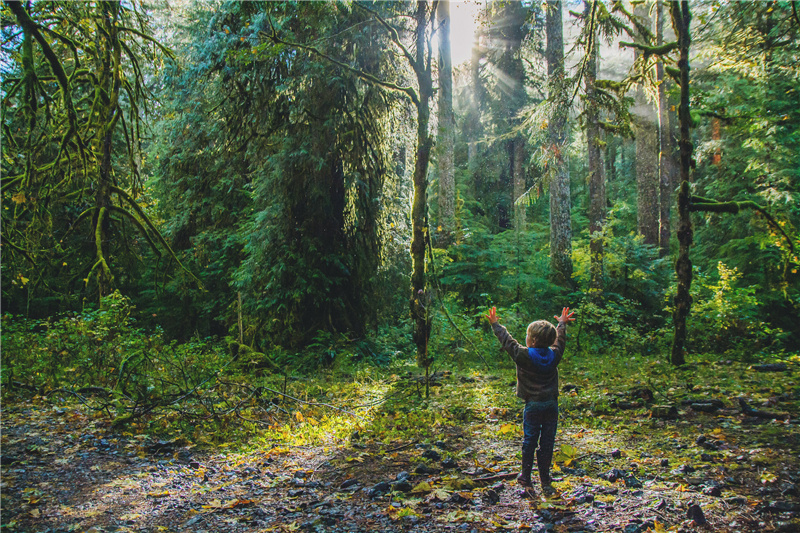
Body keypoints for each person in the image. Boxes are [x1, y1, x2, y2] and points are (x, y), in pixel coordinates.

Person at [485, 305, 575, 496]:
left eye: (527, 336)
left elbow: (508, 342)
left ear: (532, 340)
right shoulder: (555, 355)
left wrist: (496, 325)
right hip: (551, 404)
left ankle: (526, 476)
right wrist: (561, 323)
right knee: (548, 441)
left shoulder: (523, 355)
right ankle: (545, 478)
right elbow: (561, 341)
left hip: (533, 405)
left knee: (530, 440)